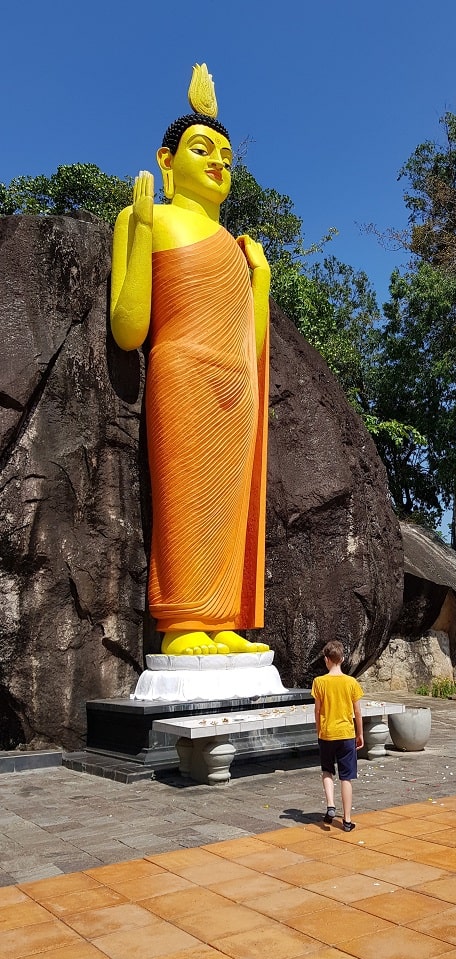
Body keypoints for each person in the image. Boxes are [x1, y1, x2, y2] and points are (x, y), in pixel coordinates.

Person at [110, 64, 270, 657]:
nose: (218, 164)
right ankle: (181, 620)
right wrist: (144, 224)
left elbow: (251, 341)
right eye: (203, 149)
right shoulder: (142, 217)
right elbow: (129, 329)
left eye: (227, 156)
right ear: (166, 159)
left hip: (238, 384)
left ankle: (223, 616)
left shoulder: (237, 245)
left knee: (231, 500)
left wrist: (263, 280)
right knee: (184, 494)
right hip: (183, 372)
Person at [311, 640, 364, 831]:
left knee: (327, 770)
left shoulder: (319, 682)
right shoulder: (351, 682)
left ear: (326, 659)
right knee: (346, 777)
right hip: (346, 734)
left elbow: (317, 711)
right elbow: (357, 712)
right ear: (342, 659)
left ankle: (331, 805)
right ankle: (347, 820)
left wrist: (319, 729)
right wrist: (360, 733)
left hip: (326, 734)